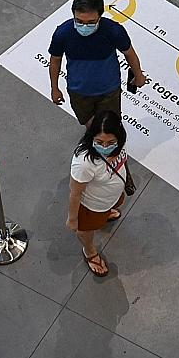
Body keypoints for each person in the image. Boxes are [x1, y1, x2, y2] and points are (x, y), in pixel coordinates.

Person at [48, 0, 148, 124]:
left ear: (100, 16)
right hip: (78, 92)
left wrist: (138, 74)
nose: (84, 26)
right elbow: (55, 61)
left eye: (91, 22)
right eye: (79, 21)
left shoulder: (114, 31)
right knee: (89, 124)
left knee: (109, 126)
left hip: (109, 91)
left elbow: (129, 54)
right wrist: (54, 88)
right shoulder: (62, 34)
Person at [66, 109, 132, 277]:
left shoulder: (118, 146)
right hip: (92, 206)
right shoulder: (84, 163)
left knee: (110, 209)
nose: (105, 147)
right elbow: (75, 193)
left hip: (111, 198)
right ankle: (89, 251)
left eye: (110, 142)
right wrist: (73, 219)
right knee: (86, 230)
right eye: (99, 141)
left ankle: (107, 213)